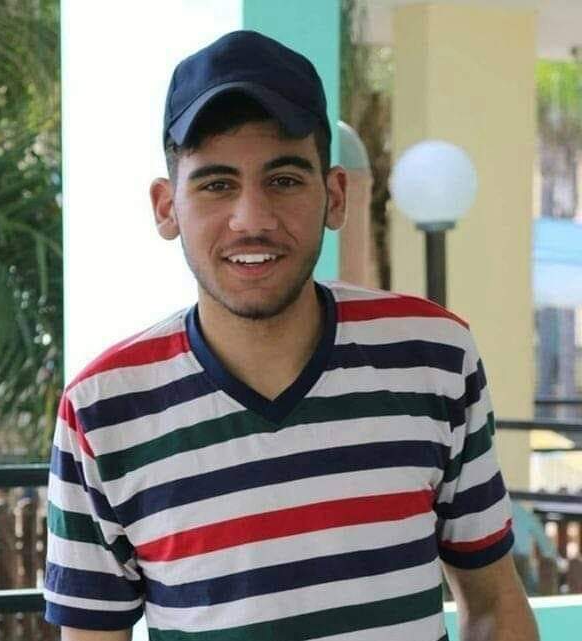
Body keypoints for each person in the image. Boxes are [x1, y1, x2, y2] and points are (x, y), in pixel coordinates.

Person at [44, 30, 539, 641]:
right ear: (167, 207)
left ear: (335, 196)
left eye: (283, 179)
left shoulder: (434, 356)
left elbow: (494, 606)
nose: (251, 219)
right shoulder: (102, 411)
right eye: (217, 184)